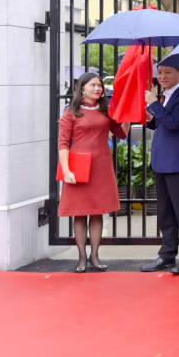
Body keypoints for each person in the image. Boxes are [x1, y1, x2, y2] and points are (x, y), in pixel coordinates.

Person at [57, 71, 130, 272]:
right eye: (93, 85)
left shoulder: (106, 112)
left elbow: (121, 133)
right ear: (82, 89)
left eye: (99, 85)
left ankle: (95, 256)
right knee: (79, 214)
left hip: (101, 166)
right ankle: (81, 258)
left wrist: (128, 115)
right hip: (78, 167)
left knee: (97, 213)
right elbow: (63, 144)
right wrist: (66, 170)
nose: (98, 89)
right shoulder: (70, 113)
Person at [140, 62, 179, 275]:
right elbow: (162, 124)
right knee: (164, 212)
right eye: (159, 73)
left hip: (178, 162)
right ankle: (167, 254)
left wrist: (154, 105)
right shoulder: (165, 95)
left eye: (168, 72)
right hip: (161, 161)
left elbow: (174, 123)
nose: (163, 76)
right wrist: (150, 116)